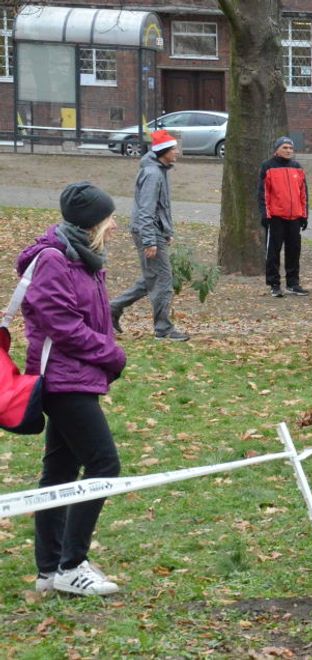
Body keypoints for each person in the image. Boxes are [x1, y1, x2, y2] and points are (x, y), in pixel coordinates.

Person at [22, 182, 127, 596]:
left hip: (78, 376)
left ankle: (50, 570)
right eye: (109, 218)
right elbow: (61, 325)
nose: (115, 226)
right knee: (104, 465)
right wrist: (111, 354)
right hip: (63, 380)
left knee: (61, 473)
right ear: (91, 223)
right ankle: (72, 564)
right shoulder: (55, 260)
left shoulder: (82, 258)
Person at [109, 129, 189, 341]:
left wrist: (166, 231)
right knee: (163, 280)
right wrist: (150, 240)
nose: (177, 152)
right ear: (163, 151)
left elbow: (160, 208)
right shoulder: (153, 174)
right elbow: (146, 210)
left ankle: (112, 309)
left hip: (154, 231)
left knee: (150, 279)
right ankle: (163, 329)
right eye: (173, 148)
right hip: (149, 232)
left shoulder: (159, 170)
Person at [259, 136, 310, 297]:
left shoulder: (298, 168)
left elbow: (303, 193)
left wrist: (304, 215)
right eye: (285, 148)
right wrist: (265, 214)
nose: (288, 151)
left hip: (294, 217)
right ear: (277, 149)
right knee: (273, 252)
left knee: (294, 250)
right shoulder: (267, 167)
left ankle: (293, 283)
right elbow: (263, 193)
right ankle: (274, 284)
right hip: (275, 217)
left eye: (291, 148)